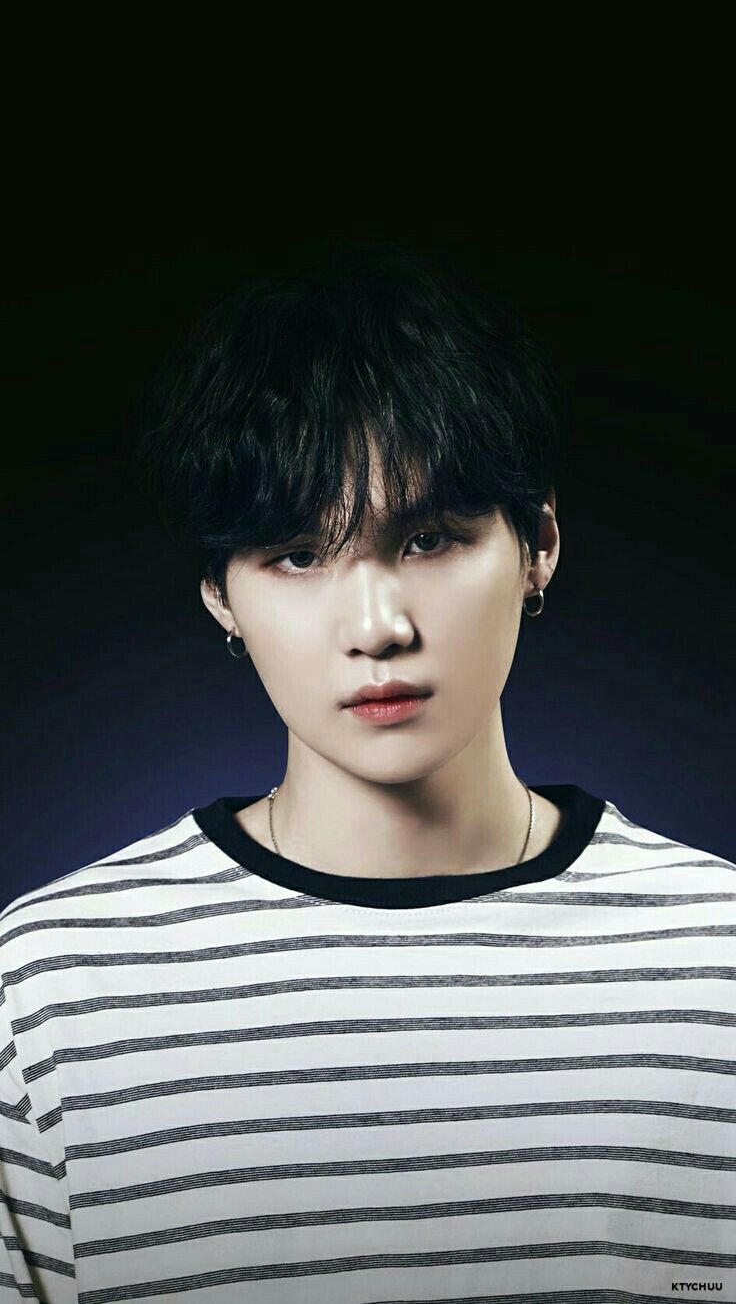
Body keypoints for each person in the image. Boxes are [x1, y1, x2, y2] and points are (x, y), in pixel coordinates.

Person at [1, 248, 733, 1303]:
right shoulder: (50, 990)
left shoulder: (716, 957)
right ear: (219, 592)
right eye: (298, 555)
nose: (377, 626)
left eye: (429, 538)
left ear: (538, 543)